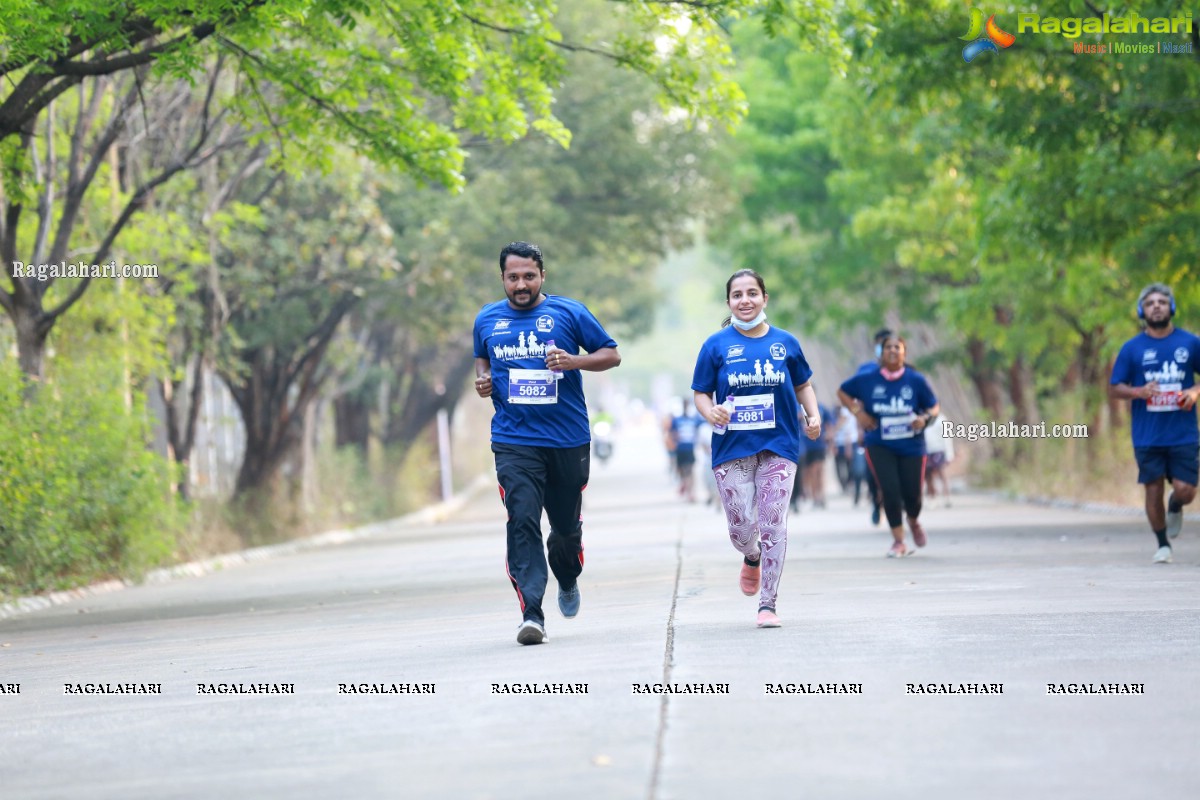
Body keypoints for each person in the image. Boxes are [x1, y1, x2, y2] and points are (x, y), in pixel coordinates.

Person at [473, 241, 621, 645]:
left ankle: (568, 577)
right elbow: (481, 358)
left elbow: (611, 354)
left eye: (528, 276)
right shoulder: (487, 319)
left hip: (567, 439)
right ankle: (532, 613)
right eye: (513, 277)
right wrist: (483, 379)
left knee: (565, 531)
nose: (521, 285)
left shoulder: (569, 312)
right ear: (502, 278)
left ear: (542, 276)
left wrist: (574, 361)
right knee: (521, 520)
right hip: (513, 440)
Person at [692, 268, 821, 629]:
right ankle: (751, 557)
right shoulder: (715, 345)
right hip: (732, 447)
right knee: (741, 527)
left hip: (779, 445)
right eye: (737, 295)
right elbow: (701, 392)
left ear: (765, 298)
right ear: (729, 302)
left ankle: (768, 603)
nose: (745, 300)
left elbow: (803, 385)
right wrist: (710, 411)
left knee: (773, 523)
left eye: (752, 293)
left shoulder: (786, 343)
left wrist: (813, 417)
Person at [1109, 283, 1200, 564]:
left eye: (1162, 301)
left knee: (1186, 490)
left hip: (1183, 432)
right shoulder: (1132, 349)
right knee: (1153, 488)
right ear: (1141, 311)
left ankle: (1176, 504)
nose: (1157, 306)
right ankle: (1163, 545)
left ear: (1171, 308)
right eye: (1150, 303)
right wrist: (1139, 391)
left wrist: (1195, 391)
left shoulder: (1190, 343)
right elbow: (1115, 388)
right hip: (1147, 435)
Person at [838, 334, 940, 558]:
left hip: (912, 445)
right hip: (879, 444)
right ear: (881, 353)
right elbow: (842, 392)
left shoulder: (916, 380)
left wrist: (923, 419)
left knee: (913, 495)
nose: (893, 350)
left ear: (904, 352)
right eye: (888, 348)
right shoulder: (867, 379)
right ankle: (898, 541)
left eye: (898, 347)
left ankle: (913, 521)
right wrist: (860, 414)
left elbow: (933, 407)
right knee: (891, 492)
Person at [668, 400, 703, 501]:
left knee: (689, 471)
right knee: (683, 471)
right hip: (681, 448)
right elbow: (672, 433)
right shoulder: (677, 420)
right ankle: (686, 486)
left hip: (689, 448)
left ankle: (690, 493)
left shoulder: (693, 419)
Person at [924, 414, 955, 505]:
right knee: (928, 476)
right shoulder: (923, 418)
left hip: (939, 450)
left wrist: (949, 452)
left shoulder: (941, 419)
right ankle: (932, 497)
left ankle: (947, 496)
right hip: (927, 450)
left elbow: (948, 436)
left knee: (942, 473)